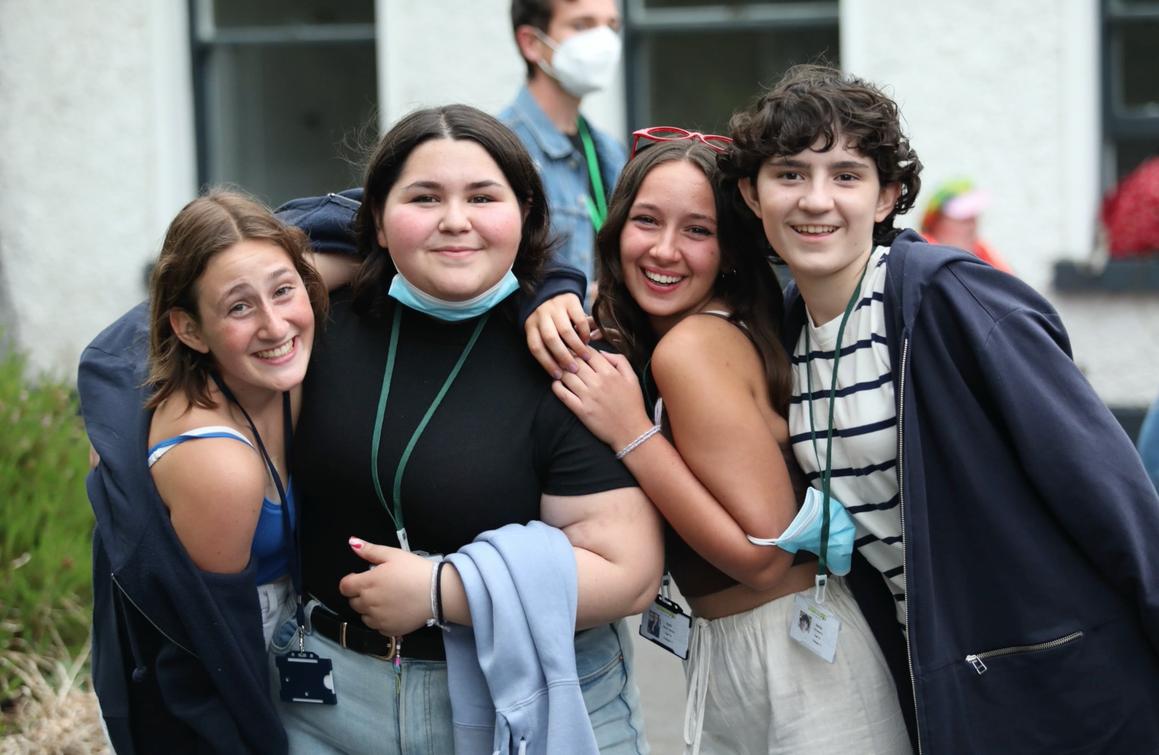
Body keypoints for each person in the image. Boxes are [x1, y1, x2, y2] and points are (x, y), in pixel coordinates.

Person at [719, 64, 1159, 752]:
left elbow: (1104, 485)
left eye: (844, 174)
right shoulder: (783, 336)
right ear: (751, 193)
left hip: (1060, 685)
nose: (815, 199)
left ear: (886, 195)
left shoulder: (947, 298)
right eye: (789, 173)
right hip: (945, 692)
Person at [270, 103, 663, 754]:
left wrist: (437, 590)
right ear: (373, 214)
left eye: (483, 196)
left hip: (529, 694)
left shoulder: (565, 354)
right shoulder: (311, 329)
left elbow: (628, 573)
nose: (455, 220)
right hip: (328, 699)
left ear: (528, 213)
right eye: (424, 197)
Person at [538, 134, 909, 754]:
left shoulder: (693, 348)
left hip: (797, 658)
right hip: (739, 649)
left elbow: (763, 556)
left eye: (699, 231)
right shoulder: (671, 339)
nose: (664, 250)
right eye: (646, 221)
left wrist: (633, 434)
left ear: (731, 251)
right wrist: (547, 295)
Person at [79, 190, 337, 753]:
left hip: (278, 625)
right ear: (190, 330)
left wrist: (548, 290)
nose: (275, 326)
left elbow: (378, 227)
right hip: (212, 667)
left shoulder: (280, 353)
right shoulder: (217, 464)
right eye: (239, 307)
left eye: (284, 290)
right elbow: (211, 661)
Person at [500, 0, 627, 306]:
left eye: (611, 26)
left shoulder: (611, 150)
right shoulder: (499, 150)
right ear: (531, 43)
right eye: (582, 25)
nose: (604, 41)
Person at [919, 177, 1013, 273]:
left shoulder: (982, 251)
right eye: (963, 218)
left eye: (974, 217)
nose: (972, 226)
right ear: (937, 222)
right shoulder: (921, 256)